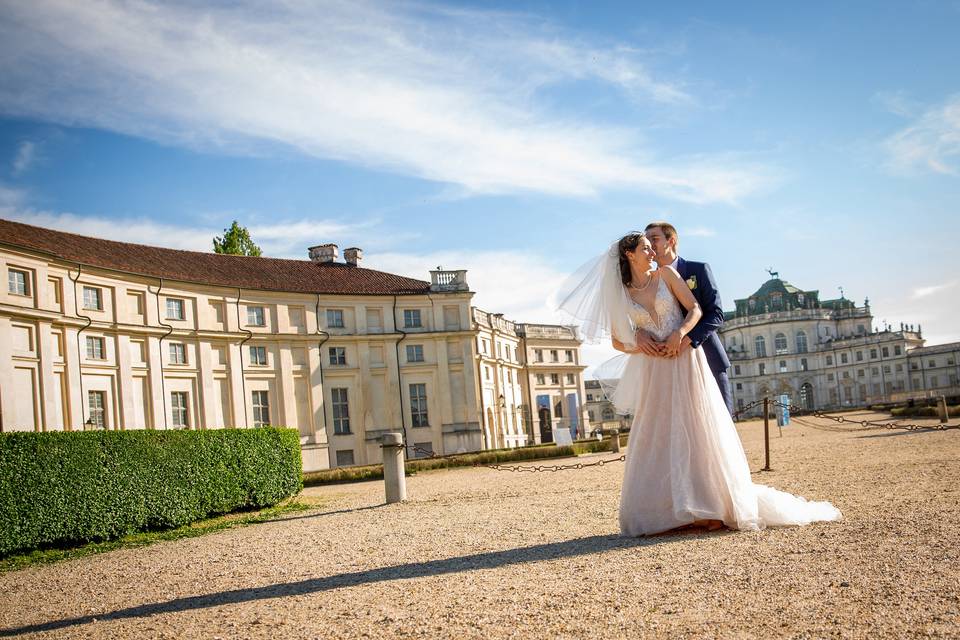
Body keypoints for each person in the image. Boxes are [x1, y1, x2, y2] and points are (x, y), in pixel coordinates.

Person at [557, 231, 842, 536]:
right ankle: (665, 512)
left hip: (684, 359)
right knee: (659, 432)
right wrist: (637, 342)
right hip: (654, 369)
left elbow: (695, 309)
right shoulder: (622, 293)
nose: (653, 252)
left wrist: (681, 333)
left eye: (653, 247)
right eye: (645, 248)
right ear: (629, 255)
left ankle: (712, 506)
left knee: (698, 426)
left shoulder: (666, 274)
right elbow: (616, 340)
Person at [641, 222, 733, 414]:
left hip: (707, 358)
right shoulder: (646, 281)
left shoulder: (698, 270)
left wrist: (686, 339)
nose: (649, 244)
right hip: (667, 366)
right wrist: (637, 333)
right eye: (646, 240)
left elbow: (716, 315)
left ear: (671, 241)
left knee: (719, 432)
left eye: (654, 239)